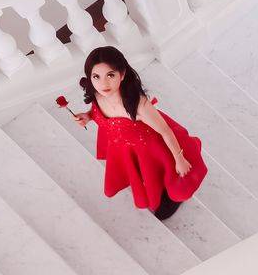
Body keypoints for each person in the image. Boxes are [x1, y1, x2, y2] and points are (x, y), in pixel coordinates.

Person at [67, 47, 207, 220]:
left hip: (152, 148)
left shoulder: (138, 105)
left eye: (110, 75)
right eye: (96, 76)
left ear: (122, 74)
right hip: (128, 148)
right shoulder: (98, 94)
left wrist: (179, 159)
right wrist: (88, 116)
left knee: (166, 179)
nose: (103, 83)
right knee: (143, 174)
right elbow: (97, 111)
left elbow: (166, 131)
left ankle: (169, 196)